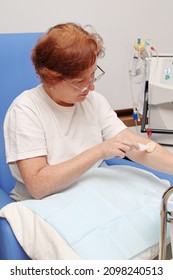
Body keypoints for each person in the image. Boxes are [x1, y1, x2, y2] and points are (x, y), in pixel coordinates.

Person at [4, 22, 173, 201]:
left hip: (90, 191)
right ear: (51, 79)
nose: (91, 87)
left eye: (93, 75)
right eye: (80, 82)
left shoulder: (93, 101)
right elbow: (38, 186)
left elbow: (134, 146)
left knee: (156, 207)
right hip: (45, 203)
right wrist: (99, 151)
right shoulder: (26, 110)